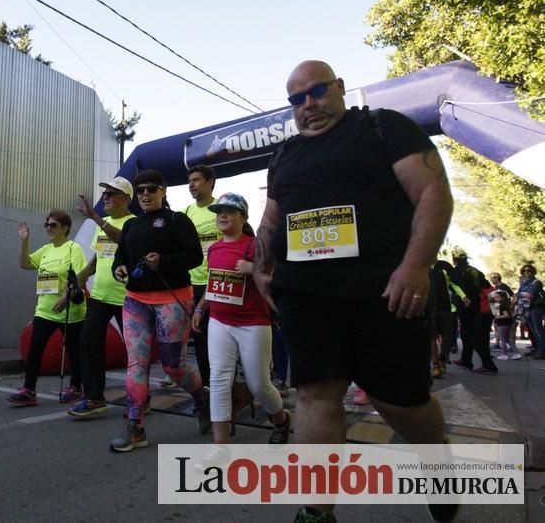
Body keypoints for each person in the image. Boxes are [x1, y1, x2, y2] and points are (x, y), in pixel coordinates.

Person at [252, 60, 456, 523]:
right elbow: (271, 219)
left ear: (340, 88)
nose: (309, 105)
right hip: (305, 294)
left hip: (384, 293)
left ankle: (435, 459)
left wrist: (415, 265)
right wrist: (262, 269)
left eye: (318, 91)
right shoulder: (284, 155)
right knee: (314, 394)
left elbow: (432, 192)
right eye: (297, 99)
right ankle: (316, 511)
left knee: (398, 403)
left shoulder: (384, 127)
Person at [109, 169, 208, 452]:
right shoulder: (130, 226)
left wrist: (163, 261)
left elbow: (194, 257)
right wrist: (120, 267)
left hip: (171, 299)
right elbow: (122, 255)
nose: (145, 194)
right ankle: (135, 427)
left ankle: (202, 399)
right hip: (135, 300)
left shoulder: (178, 220)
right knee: (136, 363)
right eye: (140, 190)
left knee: (173, 365)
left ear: (163, 191)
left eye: (151, 189)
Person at [191, 192, 290, 456]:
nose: (222, 215)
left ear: (243, 217)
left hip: (253, 323)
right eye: (219, 211)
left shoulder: (254, 245)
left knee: (259, 384)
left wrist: (254, 268)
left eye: (230, 211)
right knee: (220, 379)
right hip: (220, 322)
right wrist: (201, 308)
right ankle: (220, 447)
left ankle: (281, 420)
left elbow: (276, 275)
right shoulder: (213, 249)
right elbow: (214, 284)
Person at [67, 177, 134, 418]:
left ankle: (140, 398)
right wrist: (81, 277)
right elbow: (98, 259)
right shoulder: (103, 223)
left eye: (112, 193)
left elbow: (123, 240)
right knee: (88, 342)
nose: (106, 197)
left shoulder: (133, 223)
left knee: (136, 351)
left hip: (126, 298)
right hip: (100, 296)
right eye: (105, 193)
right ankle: (94, 397)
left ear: (125, 199)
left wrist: (94, 218)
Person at [8, 210, 87, 406]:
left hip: (70, 310)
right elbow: (24, 263)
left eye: (53, 225)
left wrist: (65, 298)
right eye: (47, 225)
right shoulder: (46, 250)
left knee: (73, 351)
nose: (49, 228)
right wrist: (25, 240)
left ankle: (76, 387)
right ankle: (29, 390)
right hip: (45, 310)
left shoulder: (73, 248)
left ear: (65, 228)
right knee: (35, 349)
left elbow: (81, 277)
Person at [180, 164, 221, 389]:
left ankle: (228, 384)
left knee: (222, 338)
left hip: (219, 282)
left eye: (196, 180)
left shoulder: (222, 207)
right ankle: (207, 386)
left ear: (210, 182)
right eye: (189, 181)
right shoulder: (186, 212)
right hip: (193, 284)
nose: (191, 185)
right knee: (201, 337)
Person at [451, 249, 497, 374]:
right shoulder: (475, 271)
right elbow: (487, 287)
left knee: (472, 335)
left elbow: (453, 288)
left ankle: (489, 365)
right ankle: (466, 360)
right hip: (477, 308)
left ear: (454, 259)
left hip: (465, 307)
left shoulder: (455, 272)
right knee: (466, 334)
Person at [427, 259, 467, 379]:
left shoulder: (444, 267)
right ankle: (435, 365)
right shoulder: (422, 266)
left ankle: (443, 358)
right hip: (429, 309)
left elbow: (454, 284)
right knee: (431, 337)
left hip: (447, 308)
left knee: (447, 337)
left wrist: (463, 296)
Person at [516, 264, 545, 359]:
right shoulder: (524, 283)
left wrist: (520, 294)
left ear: (533, 272)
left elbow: (530, 295)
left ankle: (542, 351)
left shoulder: (536, 282)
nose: (526, 272)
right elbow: (518, 295)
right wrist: (521, 294)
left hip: (536, 308)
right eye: (524, 271)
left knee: (538, 330)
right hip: (526, 309)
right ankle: (536, 349)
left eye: (528, 270)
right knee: (532, 331)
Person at [490, 290, 520, 360]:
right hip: (506, 323)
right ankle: (516, 353)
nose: (495, 299)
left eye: (497, 297)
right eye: (495, 297)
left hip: (503, 324)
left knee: (503, 340)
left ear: (503, 298)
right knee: (507, 340)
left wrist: (497, 317)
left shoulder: (502, 306)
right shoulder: (504, 305)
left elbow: (506, 315)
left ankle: (504, 354)